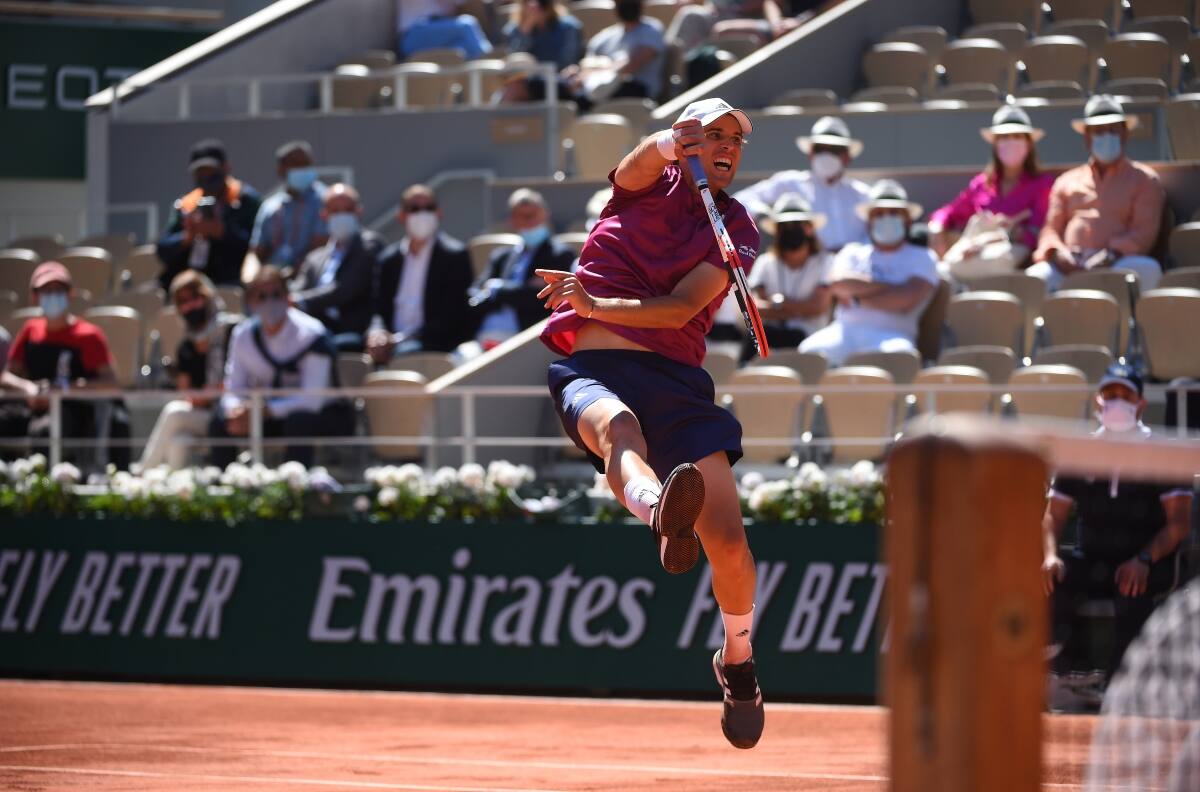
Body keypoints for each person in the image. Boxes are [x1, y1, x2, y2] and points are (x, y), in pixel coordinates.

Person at [537, 98, 764, 749]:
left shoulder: (738, 225)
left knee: (727, 540)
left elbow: (677, 310)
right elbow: (637, 165)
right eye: (711, 135)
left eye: (735, 139)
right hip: (592, 371)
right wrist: (668, 142)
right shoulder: (638, 191)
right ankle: (658, 506)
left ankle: (738, 658)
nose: (726, 146)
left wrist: (594, 300)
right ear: (684, 141)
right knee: (620, 430)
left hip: (678, 386)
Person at [1041, 365, 1192, 683]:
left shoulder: (1163, 452)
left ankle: (1118, 685)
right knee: (1054, 577)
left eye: (1126, 394)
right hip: (1094, 558)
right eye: (1110, 394)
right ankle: (1062, 670)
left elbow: (1178, 524)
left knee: (1131, 587)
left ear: (1140, 403)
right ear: (1098, 401)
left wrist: (1143, 559)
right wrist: (1050, 555)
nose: (1117, 401)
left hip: (1148, 561)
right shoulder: (1081, 452)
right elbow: (1054, 515)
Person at [208, 266, 354, 468]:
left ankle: (295, 489)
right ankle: (225, 488)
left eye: (277, 294)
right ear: (251, 302)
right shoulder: (243, 335)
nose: (270, 301)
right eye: (262, 296)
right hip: (267, 414)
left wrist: (264, 411)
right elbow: (234, 388)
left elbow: (312, 400)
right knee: (221, 421)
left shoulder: (312, 334)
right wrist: (236, 411)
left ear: (288, 297)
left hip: (322, 415)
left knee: (298, 422)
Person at [0, 262, 130, 469]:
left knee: (43, 432)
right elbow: (6, 376)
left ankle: (45, 492)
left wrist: (64, 390)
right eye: (46, 291)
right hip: (33, 408)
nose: (52, 296)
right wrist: (29, 389)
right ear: (35, 296)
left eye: (58, 290)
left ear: (70, 295)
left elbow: (110, 384)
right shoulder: (30, 331)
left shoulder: (88, 335)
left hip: (73, 411)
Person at [1029, 95, 1165, 292]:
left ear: (1125, 134)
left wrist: (1110, 255)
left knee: (1148, 269)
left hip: (1119, 263)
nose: (1106, 136)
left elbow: (1143, 234)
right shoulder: (1066, 181)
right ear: (1087, 137)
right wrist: (1057, 253)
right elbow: (1050, 230)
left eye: (1112, 130)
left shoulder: (1144, 180)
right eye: (1099, 132)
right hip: (1069, 266)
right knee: (1034, 278)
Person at [799, 180, 939, 365]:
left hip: (893, 335)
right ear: (869, 220)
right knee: (809, 353)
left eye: (894, 213)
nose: (886, 218)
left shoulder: (923, 256)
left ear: (907, 219)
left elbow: (906, 300)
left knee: (900, 358)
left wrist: (858, 298)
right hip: (844, 331)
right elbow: (839, 283)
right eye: (879, 213)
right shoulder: (852, 251)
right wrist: (894, 288)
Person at [927, 105, 1055, 270]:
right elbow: (950, 211)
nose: (1010, 142)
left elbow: (1040, 232)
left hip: (1015, 266)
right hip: (971, 257)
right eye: (1004, 137)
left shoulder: (1043, 185)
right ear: (995, 145)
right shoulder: (981, 184)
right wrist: (937, 226)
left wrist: (1004, 235)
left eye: (1017, 136)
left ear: (1028, 144)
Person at [138, 271, 239, 470]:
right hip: (202, 416)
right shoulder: (185, 346)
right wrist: (201, 396)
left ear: (207, 297)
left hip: (230, 412)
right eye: (183, 301)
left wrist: (210, 394)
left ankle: (142, 475)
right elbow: (187, 393)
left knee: (173, 413)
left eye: (195, 297)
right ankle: (176, 493)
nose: (190, 305)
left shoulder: (232, 331)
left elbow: (239, 379)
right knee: (178, 440)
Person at [369, 185, 474, 362]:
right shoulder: (388, 260)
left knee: (405, 354)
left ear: (438, 213)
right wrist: (377, 333)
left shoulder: (455, 255)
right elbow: (377, 308)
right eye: (414, 209)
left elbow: (452, 315)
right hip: (390, 344)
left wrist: (398, 340)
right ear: (401, 216)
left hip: (433, 343)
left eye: (429, 208)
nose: (422, 214)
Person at [733, 116, 870, 252]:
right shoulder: (790, 183)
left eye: (834, 150)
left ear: (847, 157)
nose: (826, 155)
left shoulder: (862, 194)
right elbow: (741, 199)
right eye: (820, 149)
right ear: (810, 153)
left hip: (851, 269)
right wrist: (762, 212)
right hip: (805, 268)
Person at [470, 188, 577, 348]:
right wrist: (520, 290)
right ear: (512, 220)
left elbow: (542, 300)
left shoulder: (560, 255)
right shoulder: (501, 256)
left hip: (524, 342)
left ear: (545, 214)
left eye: (532, 215)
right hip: (483, 337)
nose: (529, 221)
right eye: (522, 216)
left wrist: (497, 290)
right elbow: (474, 296)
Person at [157, 139, 262, 290]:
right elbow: (163, 249)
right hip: (190, 283)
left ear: (226, 168)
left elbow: (258, 248)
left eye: (212, 174)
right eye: (201, 175)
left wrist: (221, 232)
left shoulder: (246, 201)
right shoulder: (187, 205)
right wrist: (187, 236)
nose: (207, 180)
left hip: (233, 282)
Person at [290, 183, 384, 346]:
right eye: (335, 210)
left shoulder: (369, 245)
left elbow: (344, 289)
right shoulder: (314, 258)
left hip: (352, 333)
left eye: (348, 210)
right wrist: (286, 299)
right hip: (314, 330)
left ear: (358, 212)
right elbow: (297, 290)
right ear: (324, 215)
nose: (342, 216)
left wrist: (297, 301)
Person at [747, 194, 833, 352]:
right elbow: (752, 308)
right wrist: (799, 309)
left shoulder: (826, 261)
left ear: (809, 228)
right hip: (769, 341)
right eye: (784, 226)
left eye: (796, 224)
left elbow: (818, 306)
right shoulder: (765, 262)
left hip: (811, 342)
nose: (790, 230)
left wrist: (778, 305)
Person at [248, 140, 329, 275]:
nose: (303, 168)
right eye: (296, 164)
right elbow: (256, 252)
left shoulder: (325, 200)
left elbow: (320, 246)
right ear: (281, 170)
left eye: (306, 164)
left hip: (309, 277)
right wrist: (251, 277)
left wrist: (290, 274)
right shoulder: (269, 207)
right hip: (272, 283)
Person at [665, 0, 801, 53]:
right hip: (717, 13)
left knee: (722, 30)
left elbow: (769, 3)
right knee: (689, 14)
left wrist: (737, 9)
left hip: (747, 17)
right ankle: (675, 63)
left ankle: (699, 65)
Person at [396, 0, 493, 59]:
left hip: (436, 38)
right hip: (412, 37)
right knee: (467, 25)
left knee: (465, 47)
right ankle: (492, 66)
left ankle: (484, 82)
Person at [502, 0, 583, 70]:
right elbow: (512, 62)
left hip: (559, 80)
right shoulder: (515, 29)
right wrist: (526, 31)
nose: (535, 4)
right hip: (526, 81)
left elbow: (568, 61)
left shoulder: (569, 27)